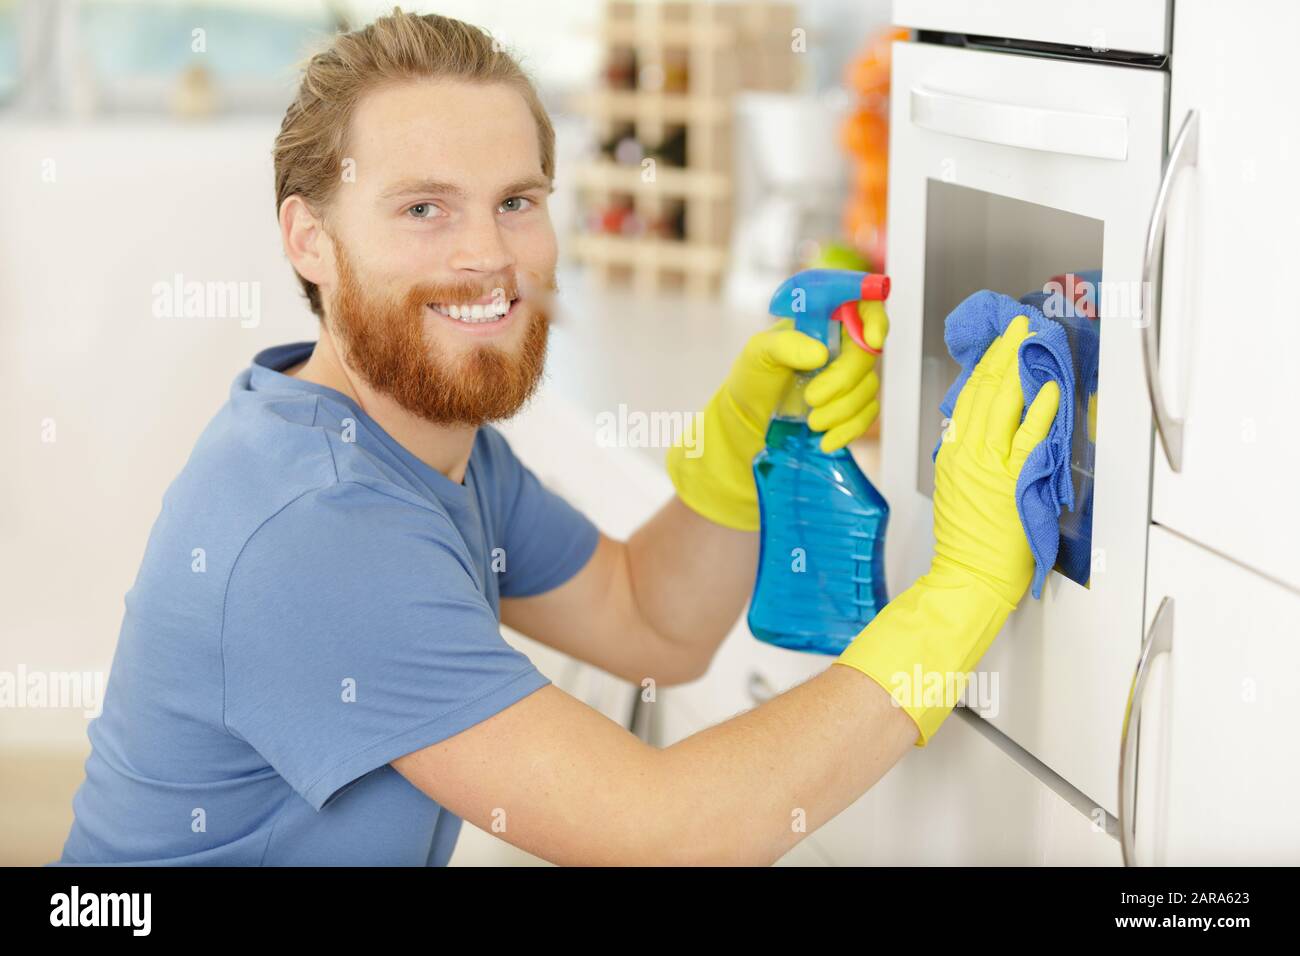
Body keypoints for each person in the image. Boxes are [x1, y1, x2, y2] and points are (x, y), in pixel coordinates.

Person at [55, 9, 1058, 867]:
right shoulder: (320, 527)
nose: (488, 255)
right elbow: (666, 834)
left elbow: (647, 620)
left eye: (516, 202)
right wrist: (957, 594)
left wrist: (745, 438)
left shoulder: (424, 442)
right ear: (308, 238)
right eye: (422, 207)